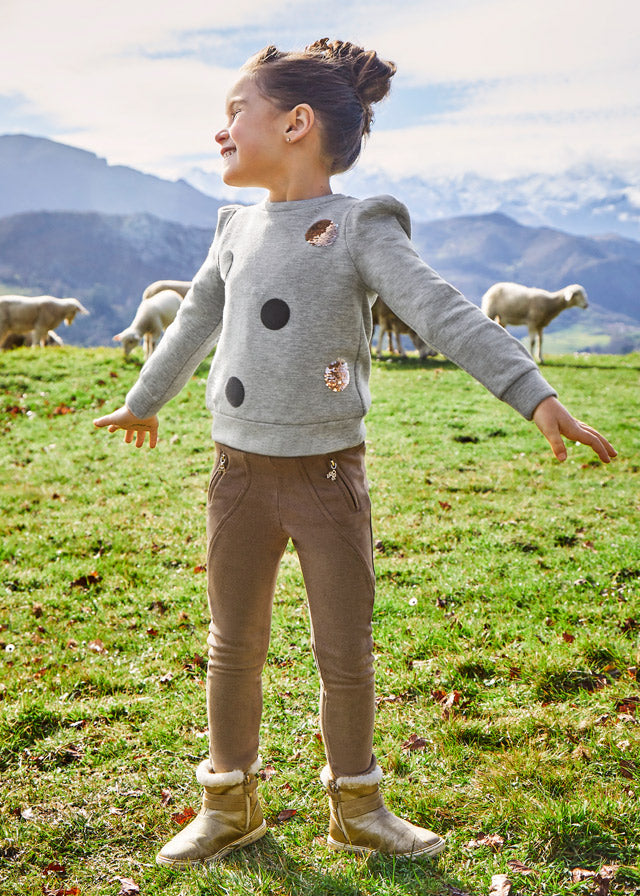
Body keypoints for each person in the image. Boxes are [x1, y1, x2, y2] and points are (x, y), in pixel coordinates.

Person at [94, 38, 616, 868]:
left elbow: (444, 312)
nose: (220, 129)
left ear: (297, 123)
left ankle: (358, 806)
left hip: (330, 480)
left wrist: (535, 394)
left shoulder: (359, 227)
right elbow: (194, 320)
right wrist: (142, 401)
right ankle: (227, 803)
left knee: (345, 651)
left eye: (236, 111)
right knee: (234, 645)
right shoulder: (233, 226)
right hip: (236, 478)